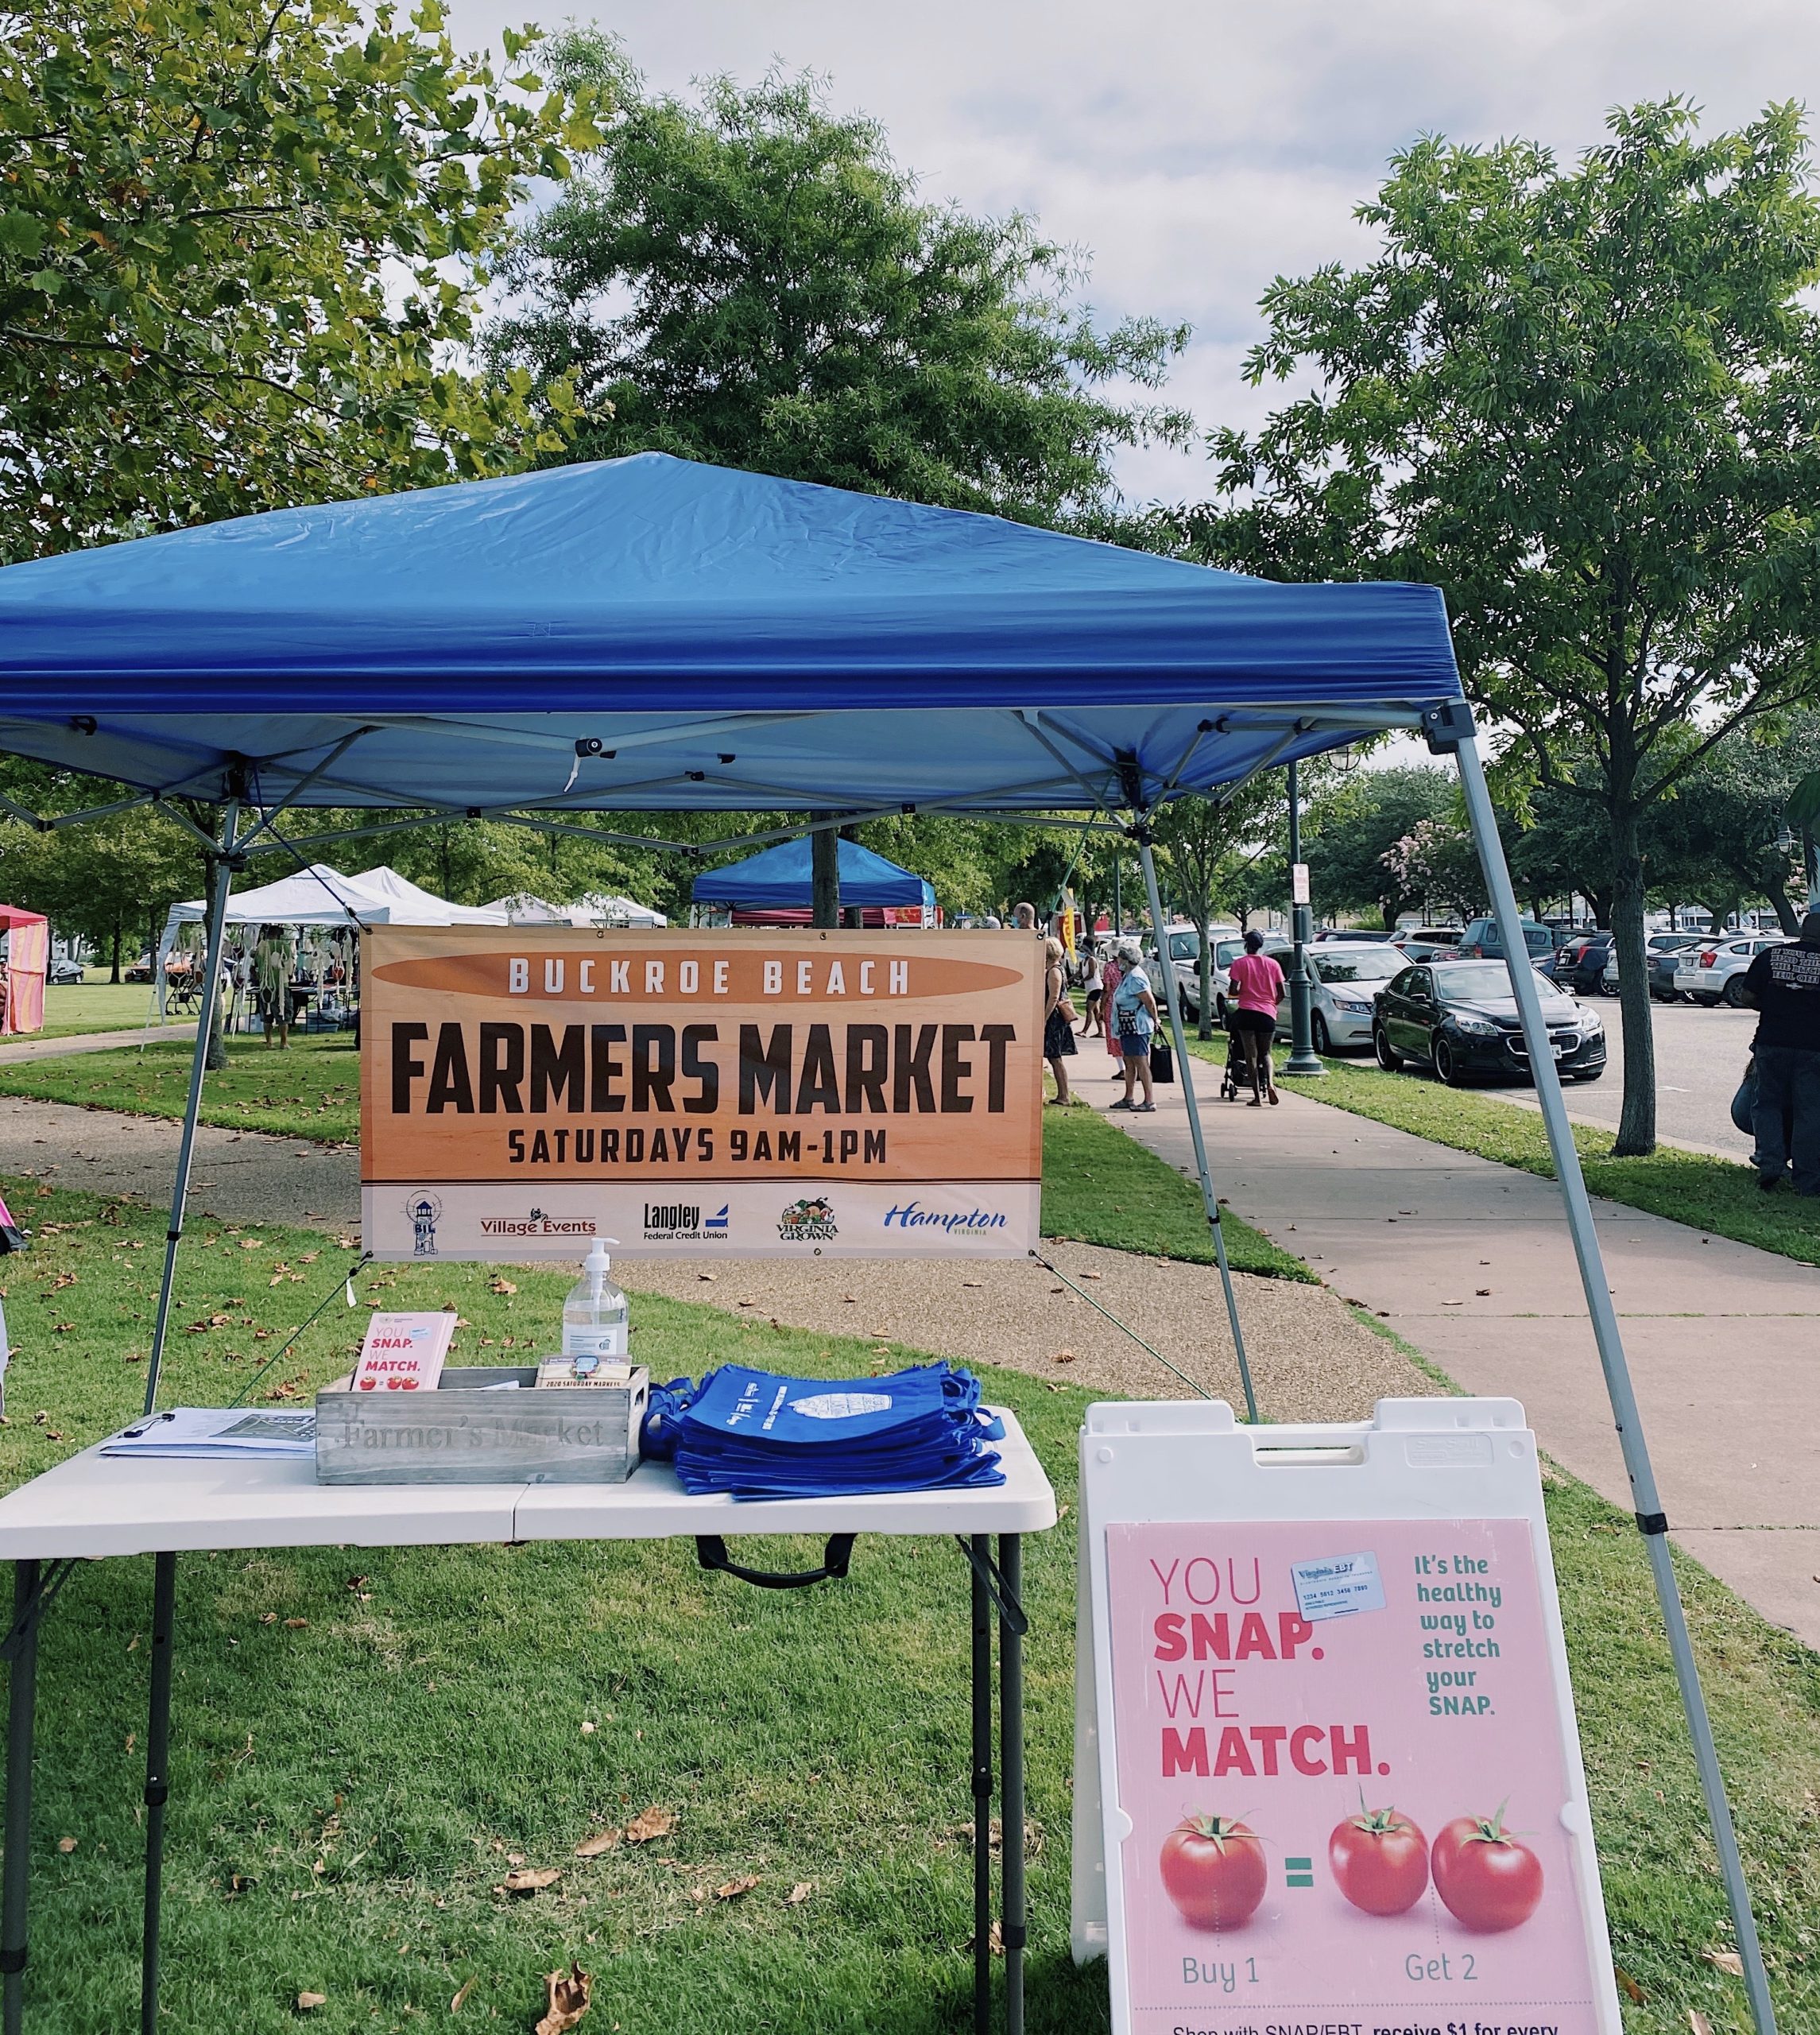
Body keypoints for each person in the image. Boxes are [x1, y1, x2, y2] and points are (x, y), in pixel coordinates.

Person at [1740, 909, 1820, 1193]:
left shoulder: (1771, 956)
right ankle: (1808, 1180)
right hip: (1814, 1048)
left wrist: (1773, 1008)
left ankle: (1771, 1164)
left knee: (1767, 1104)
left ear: (1802, 930)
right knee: (1810, 1111)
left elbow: (1747, 995)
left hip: (1771, 1043)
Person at [1225, 928, 1284, 1107]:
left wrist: (1244, 993)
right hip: (1267, 1013)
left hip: (1247, 1012)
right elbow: (1282, 992)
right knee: (1266, 1053)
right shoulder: (1273, 964)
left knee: (1251, 1055)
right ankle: (1271, 1084)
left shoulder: (1240, 964)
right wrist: (1271, 1004)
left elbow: (1232, 990)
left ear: (1246, 945)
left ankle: (1257, 1097)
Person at [1107, 940, 1159, 1112]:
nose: (1117, 962)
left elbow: (1149, 1002)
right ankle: (1128, 1097)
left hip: (1138, 1026)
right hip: (1127, 1025)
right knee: (1129, 1061)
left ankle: (1149, 1100)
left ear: (1127, 960)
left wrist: (1156, 1020)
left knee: (1141, 1062)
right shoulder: (1128, 976)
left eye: (1120, 958)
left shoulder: (1136, 977)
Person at [1041, 936, 1078, 1104]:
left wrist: (1044, 1019)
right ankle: (1062, 1094)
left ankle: (1064, 1095)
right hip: (1054, 1019)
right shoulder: (1054, 969)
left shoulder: (1054, 971)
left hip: (1055, 1020)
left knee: (1055, 1057)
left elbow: (1054, 998)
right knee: (1053, 1057)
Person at [1082, 940, 1106, 1037]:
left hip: (1096, 987)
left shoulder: (1092, 960)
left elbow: (1091, 974)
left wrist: (1081, 981)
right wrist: (1070, 979)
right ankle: (1100, 1032)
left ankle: (1084, 1031)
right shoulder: (1084, 960)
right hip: (1090, 988)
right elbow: (1080, 972)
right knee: (1096, 1011)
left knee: (1089, 1009)